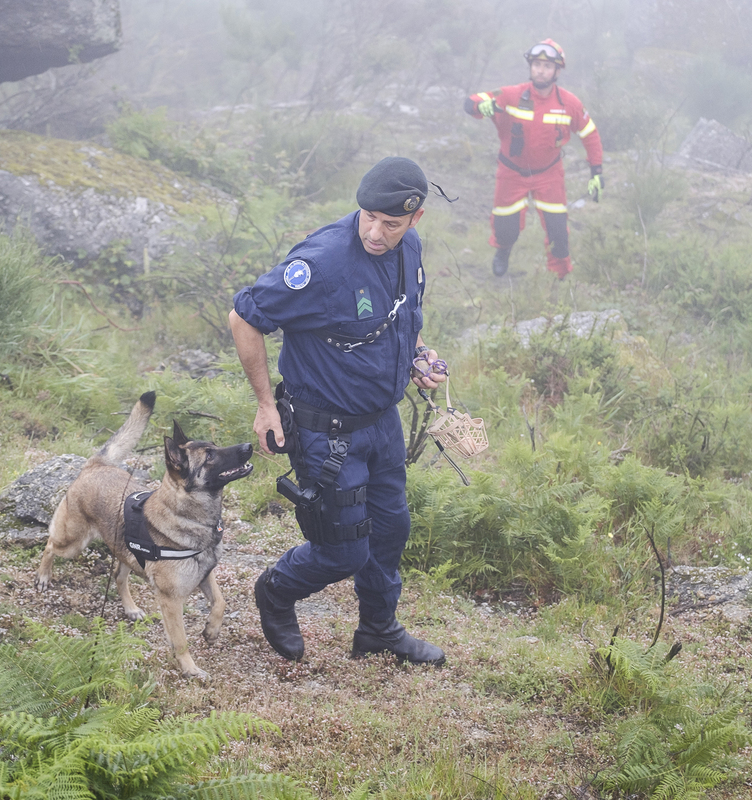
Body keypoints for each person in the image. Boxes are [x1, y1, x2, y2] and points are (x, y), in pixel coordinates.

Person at [228, 156, 448, 666]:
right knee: (342, 549)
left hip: (383, 423)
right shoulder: (322, 264)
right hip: (325, 431)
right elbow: (244, 317)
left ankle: (378, 630)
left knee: (390, 531)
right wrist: (265, 405)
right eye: (368, 217)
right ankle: (276, 591)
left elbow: (404, 317)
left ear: (415, 219)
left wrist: (418, 356)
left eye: (390, 223)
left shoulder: (410, 248)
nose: (375, 232)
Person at [465, 39, 604, 278]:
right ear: (530, 67)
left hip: (549, 175)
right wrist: (482, 106)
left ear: (557, 71)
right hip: (511, 173)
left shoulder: (569, 103)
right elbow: (472, 101)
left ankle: (560, 276)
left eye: (547, 66)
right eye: (537, 64)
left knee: (558, 232)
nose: (541, 70)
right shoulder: (510, 95)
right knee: (505, 228)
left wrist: (597, 172)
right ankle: (503, 251)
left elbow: (590, 135)